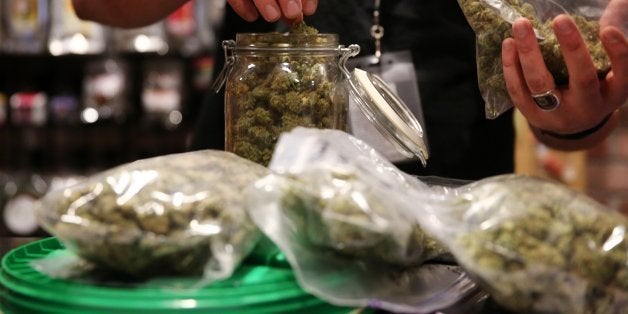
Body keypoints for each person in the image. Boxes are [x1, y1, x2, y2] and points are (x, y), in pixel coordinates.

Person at [72, 0, 627, 180]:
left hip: (451, 227)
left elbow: (570, 126)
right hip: (260, 218)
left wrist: (573, 117)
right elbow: (99, 7)